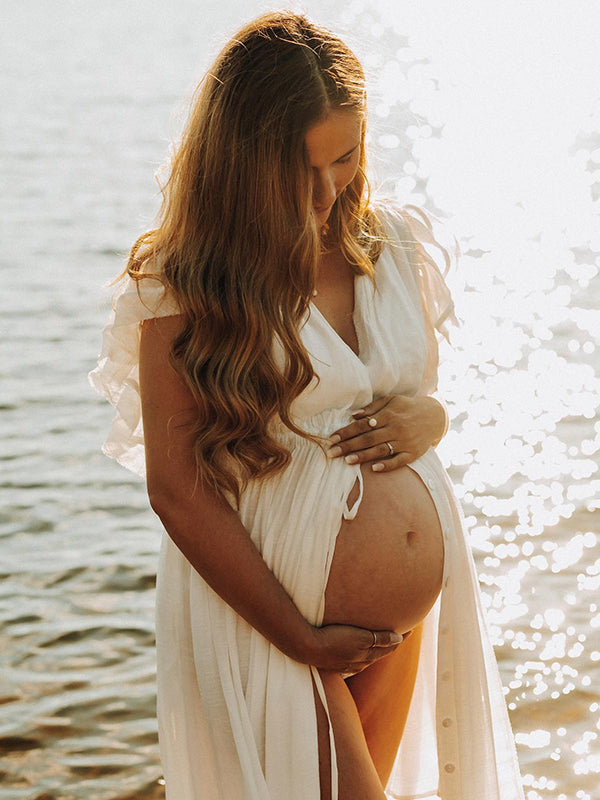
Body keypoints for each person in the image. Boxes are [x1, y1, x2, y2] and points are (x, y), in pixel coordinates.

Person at [89, 11, 525, 800]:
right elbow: (176, 487)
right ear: (241, 161)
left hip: (402, 621)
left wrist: (436, 418)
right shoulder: (186, 284)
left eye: (346, 157)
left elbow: (405, 400)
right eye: (299, 167)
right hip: (273, 613)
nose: (328, 191)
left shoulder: (390, 245)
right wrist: (297, 635)